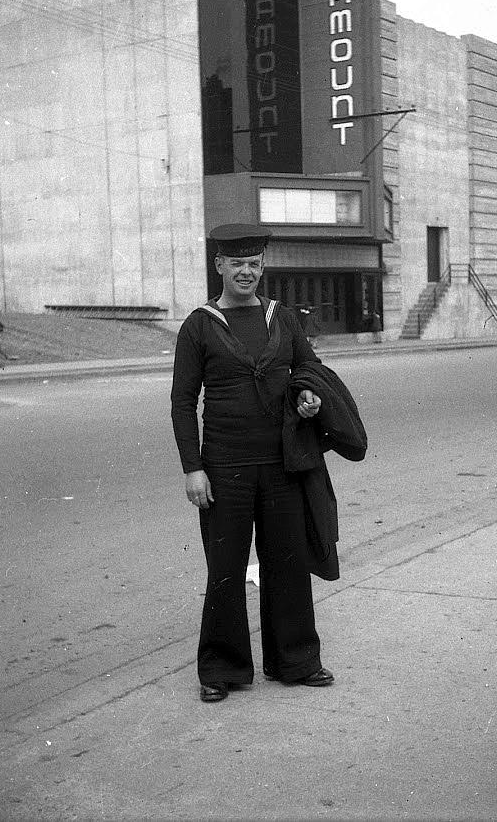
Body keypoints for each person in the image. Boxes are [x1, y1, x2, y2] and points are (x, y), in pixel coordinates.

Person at [170, 224, 334, 703]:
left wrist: (308, 397)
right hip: (225, 469)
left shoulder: (281, 318)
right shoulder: (198, 325)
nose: (247, 272)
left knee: (288, 562)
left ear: (262, 268)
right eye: (237, 263)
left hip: (282, 463)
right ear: (219, 266)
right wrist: (193, 467)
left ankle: (297, 661)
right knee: (225, 566)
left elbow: (310, 372)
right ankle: (222, 669)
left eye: (255, 264)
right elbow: (183, 403)